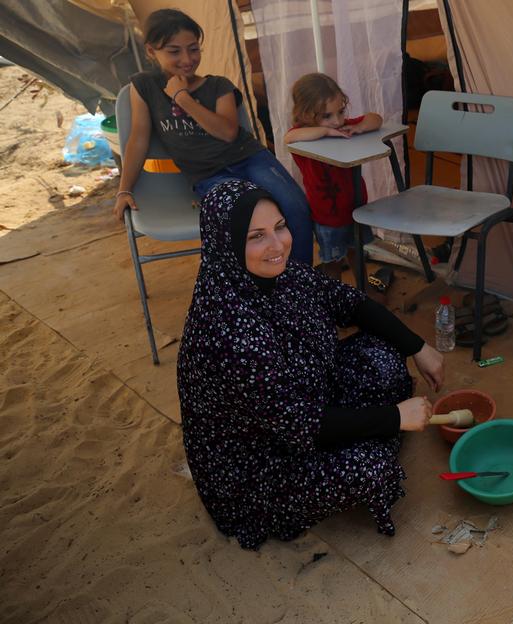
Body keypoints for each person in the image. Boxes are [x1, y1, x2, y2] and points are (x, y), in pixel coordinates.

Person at [176, 179, 445, 550]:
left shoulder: (284, 274)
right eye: (256, 236)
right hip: (262, 459)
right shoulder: (231, 332)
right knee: (367, 468)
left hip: (309, 398)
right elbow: (299, 424)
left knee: (384, 356)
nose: (277, 245)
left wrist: (419, 347)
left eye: (280, 227)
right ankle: (375, 436)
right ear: (227, 243)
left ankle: (372, 429)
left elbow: (350, 303)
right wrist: (395, 417)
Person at [113, 8, 315, 265]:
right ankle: (261, 286)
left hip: (250, 158)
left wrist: (183, 98)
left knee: (293, 206)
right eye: (174, 51)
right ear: (151, 51)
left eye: (193, 48)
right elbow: (138, 139)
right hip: (208, 174)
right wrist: (124, 189)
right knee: (246, 218)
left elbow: (228, 133)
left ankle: (302, 286)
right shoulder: (144, 86)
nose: (187, 59)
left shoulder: (218, 85)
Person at [285, 72, 384, 281]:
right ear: (305, 114)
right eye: (327, 116)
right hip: (327, 218)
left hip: (356, 207)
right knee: (332, 264)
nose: (338, 121)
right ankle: (334, 303)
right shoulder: (302, 137)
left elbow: (376, 119)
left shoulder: (344, 125)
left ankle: (362, 293)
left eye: (340, 111)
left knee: (357, 253)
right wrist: (325, 131)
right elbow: (289, 137)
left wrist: (358, 127)